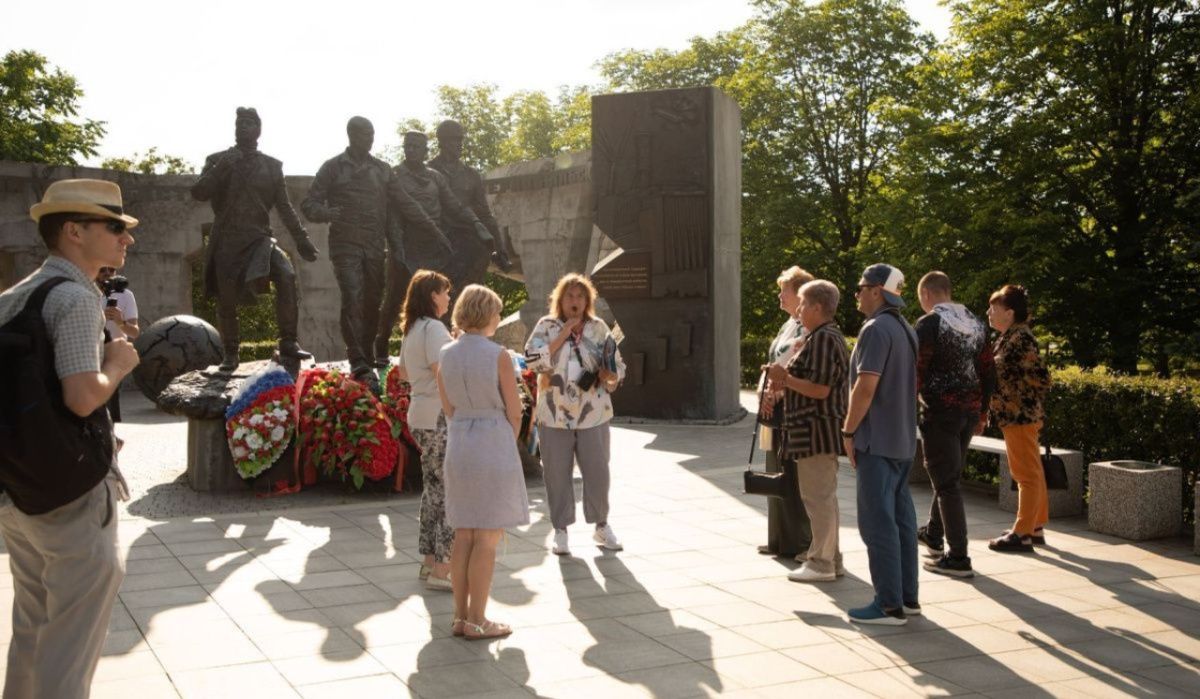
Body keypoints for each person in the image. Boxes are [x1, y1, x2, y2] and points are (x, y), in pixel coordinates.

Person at [0, 179, 139, 697]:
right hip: (71, 497)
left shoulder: (16, 295)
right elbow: (83, 396)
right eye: (115, 227)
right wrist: (118, 363)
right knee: (69, 642)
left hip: (18, 492)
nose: (126, 238)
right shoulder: (78, 298)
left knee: (33, 629)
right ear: (74, 231)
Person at [302, 117, 451, 389]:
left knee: (372, 301)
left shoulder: (382, 170)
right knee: (352, 295)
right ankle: (357, 358)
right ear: (351, 135)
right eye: (364, 135)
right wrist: (325, 213)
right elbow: (309, 204)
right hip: (345, 244)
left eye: (372, 135)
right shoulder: (334, 167)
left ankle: (368, 354)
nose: (369, 140)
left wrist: (433, 230)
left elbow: (406, 203)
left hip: (373, 246)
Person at [190, 107, 319, 371]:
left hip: (259, 239)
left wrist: (302, 239)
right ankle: (230, 353)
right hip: (227, 238)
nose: (243, 127)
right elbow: (199, 192)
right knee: (226, 298)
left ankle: (288, 342)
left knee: (286, 274)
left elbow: (284, 207)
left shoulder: (272, 167)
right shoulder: (217, 159)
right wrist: (224, 166)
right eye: (239, 123)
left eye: (249, 123)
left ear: (258, 129)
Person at [437, 284, 530, 640]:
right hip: (492, 439)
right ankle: (479, 619)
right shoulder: (499, 355)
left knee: (463, 535)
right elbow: (515, 408)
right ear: (488, 314)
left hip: (460, 439)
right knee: (488, 538)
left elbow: (448, 408)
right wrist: (509, 435)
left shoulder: (446, 353)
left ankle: (461, 617)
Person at [524, 273, 625, 556]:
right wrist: (561, 337)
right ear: (560, 299)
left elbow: (617, 366)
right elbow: (532, 360)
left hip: (593, 413)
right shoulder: (546, 325)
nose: (575, 301)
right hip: (554, 415)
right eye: (570, 295)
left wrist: (611, 376)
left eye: (581, 296)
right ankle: (560, 530)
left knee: (598, 471)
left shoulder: (598, 327)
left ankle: (601, 525)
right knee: (556, 474)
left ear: (587, 300)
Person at [842, 263, 920, 626]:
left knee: (878, 524)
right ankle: (907, 598)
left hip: (877, 441)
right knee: (902, 522)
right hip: (903, 440)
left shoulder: (874, 329)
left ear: (877, 290)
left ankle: (888, 605)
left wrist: (847, 431)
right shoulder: (906, 328)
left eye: (861, 288)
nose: (857, 294)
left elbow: (866, 386)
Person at [375, 131, 494, 357]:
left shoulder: (435, 177)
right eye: (408, 146)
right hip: (406, 244)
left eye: (416, 146)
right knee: (395, 296)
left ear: (425, 150)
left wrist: (477, 224)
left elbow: (454, 205)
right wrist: (397, 248)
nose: (411, 150)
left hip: (434, 248)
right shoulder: (395, 175)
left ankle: (435, 347)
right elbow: (392, 214)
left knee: (434, 299)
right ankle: (381, 342)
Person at [764, 280, 849, 583]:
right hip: (812, 431)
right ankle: (830, 558)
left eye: (802, 304)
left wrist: (784, 378)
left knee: (818, 498)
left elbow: (821, 389)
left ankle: (822, 562)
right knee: (821, 497)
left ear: (817, 306)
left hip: (816, 431)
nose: (797, 310)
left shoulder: (824, 338)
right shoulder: (819, 337)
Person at [914, 272, 996, 578]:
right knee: (950, 475)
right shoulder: (976, 323)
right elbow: (988, 371)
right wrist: (984, 411)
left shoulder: (930, 324)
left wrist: (907, 411)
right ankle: (933, 534)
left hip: (939, 412)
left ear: (926, 296)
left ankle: (959, 557)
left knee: (947, 483)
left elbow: (916, 371)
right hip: (970, 411)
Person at [399, 270, 455, 590]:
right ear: (433, 295)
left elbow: (404, 373)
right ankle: (441, 570)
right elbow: (443, 374)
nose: (449, 297)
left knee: (433, 490)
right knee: (448, 493)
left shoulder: (413, 328)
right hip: (439, 415)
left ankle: (429, 562)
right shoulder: (434, 328)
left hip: (419, 413)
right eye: (445, 292)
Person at [986, 284, 1052, 553]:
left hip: (1020, 416)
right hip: (1015, 415)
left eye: (994, 308)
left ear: (1009, 312)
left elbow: (1043, 379)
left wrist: (1019, 396)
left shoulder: (1020, 339)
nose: (988, 312)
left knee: (1025, 474)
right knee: (1030, 471)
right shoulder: (1009, 336)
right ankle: (1035, 527)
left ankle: (1023, 533)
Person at [756, 266, 815, 560]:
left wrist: (775, 392)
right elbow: (772, 361)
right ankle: (779, 539)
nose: (779, 295)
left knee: (791, 476)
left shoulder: (807, 329)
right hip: (774, 409)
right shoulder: (788, 325)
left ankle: (799, 542)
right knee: (775, 472)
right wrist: (763, 392)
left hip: (790, 408)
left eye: (784, 290)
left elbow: (795, 368)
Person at [427, 119, 512, 289]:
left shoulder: (471, 175)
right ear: (442, 141)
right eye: (455, 139)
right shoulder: (428, 171)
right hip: (436, 235)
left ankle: (468, 300)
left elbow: (485, 214)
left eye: (461, 139)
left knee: (481, 250)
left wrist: (500, 248)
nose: (460, 144)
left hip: (466, 236)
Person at [96, 266, 139, 422]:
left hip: (114, 356)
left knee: (111, 402)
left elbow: (134, 332)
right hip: (91, 354)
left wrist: (120, 322)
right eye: (103, 270)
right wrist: (100, 317)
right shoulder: (87, 292)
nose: (107, 273)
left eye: (112, 270)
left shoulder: (126, 295)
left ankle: (110, 437)